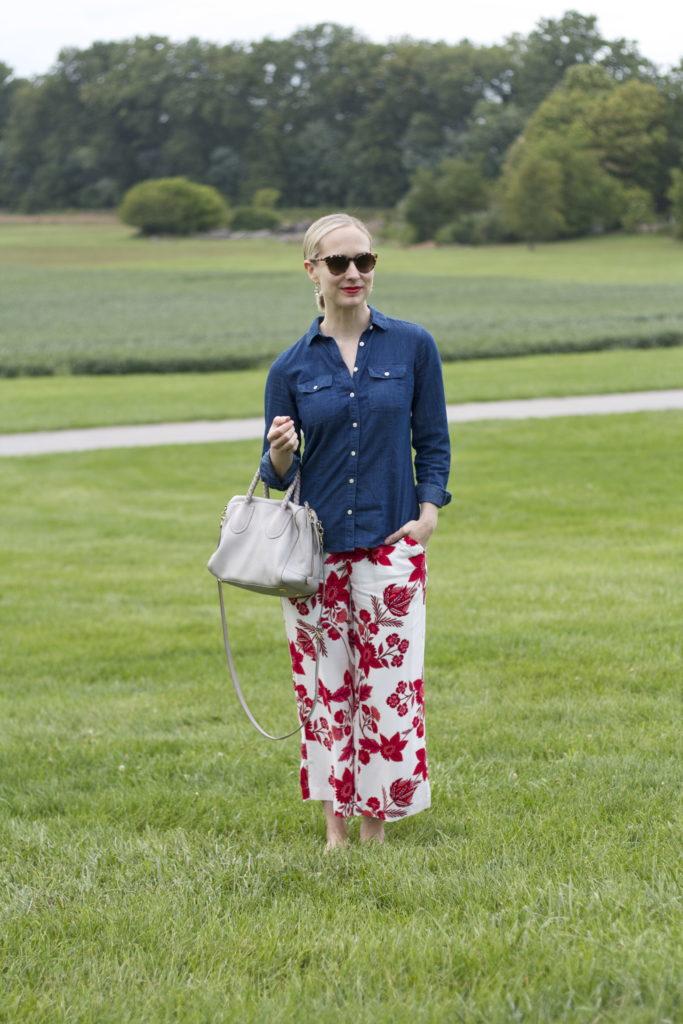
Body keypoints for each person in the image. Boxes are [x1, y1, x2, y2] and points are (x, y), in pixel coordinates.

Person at [260, 212, 451, 850]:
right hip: (314, 556)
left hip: (390, 547)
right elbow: (276, 474)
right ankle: (335, 829)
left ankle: (377, 825)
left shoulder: (413, 346)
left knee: (389, 691)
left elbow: (433, 442)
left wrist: (426, 516)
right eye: (338, 263)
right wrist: (283, 453)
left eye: (363, 261)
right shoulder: (290, 368)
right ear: (311, 270)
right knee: (325, 690)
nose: (352, 274)